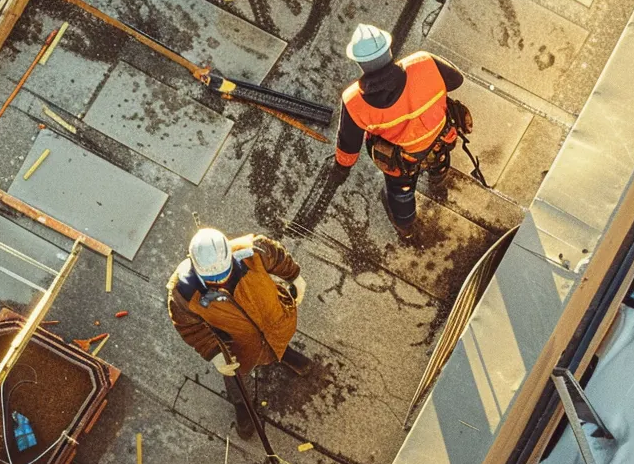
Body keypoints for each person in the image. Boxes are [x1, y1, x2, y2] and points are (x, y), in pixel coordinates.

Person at [332, 24, 475, 240]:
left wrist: (340, 169)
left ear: (360, 63)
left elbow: (349, 143)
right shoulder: (424, 62)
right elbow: (456, 80)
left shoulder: (354, 102)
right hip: (441, 138)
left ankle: (405, 226)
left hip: (403, 160)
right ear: (389, 51)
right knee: (440, 158)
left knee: (401, 193)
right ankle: (438, 175)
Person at [166, 228, 310, 438]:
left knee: (275, 340)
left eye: (225, 274)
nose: (221, 282)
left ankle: (283, 352)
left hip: (274, 322)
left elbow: (277, 257)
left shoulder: (254, 251)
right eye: (213, 280)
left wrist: (294, 276)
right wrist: (214, 353)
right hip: (237, 345)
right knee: (237, 376)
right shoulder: (183, 293)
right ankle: (242, 404)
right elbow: (189, 327)